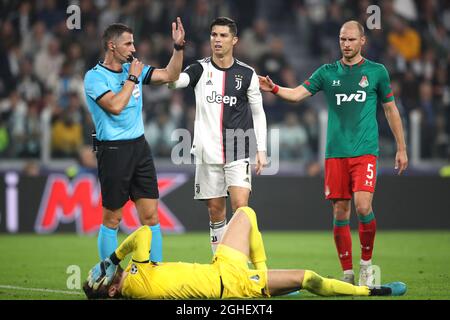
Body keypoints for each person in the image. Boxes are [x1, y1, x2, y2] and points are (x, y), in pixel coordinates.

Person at [259, 20, 408, 286]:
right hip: (335, 154)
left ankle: (365, 266)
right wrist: (275, 88)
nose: (346, 44)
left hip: (365, 152)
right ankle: (347, 272)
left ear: (362, 41)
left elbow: (390, 110)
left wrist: (402, 147)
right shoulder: (327, 73)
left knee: (363, 206)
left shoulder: (377, 72)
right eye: (342, 39)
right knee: (340, 213)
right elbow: (296, 95)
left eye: (351, 39)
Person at [82, 206, 406, 299]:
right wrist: (112, 259)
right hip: (231, 286)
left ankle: (265, 277)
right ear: (111, 290)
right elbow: (140, 234)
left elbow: (141, 235)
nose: (104, 272)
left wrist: (112, 262)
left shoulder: (137, 276)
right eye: (102, 278)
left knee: (246, 214)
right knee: (309, 278)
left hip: (220, 268)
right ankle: (371, 291)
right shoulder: (134, 284)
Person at [83, 18, 185, 264]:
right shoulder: (94, 78)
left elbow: (171, 74)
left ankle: (155, 272)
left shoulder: (134, 70)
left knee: (151, 216)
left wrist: (178, 48)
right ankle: (108, 277)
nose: (133, 48)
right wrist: (132, 79)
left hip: (140, 148)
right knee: (112, 219)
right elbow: (115, 106)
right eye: (128, 44)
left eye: (133, 43)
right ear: (112, 46)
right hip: (113, 150)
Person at [168, 17, 267, 256]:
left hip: (238, 147)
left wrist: (261, 149)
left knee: (242, 209)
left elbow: (258, 113)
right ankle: (220, 265)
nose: (217, 40)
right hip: (207, 150)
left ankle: (246, 265)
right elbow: (173, 83)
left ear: (234, 40)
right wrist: (178, 48)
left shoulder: (247, 74)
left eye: (223, 36)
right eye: (214, 35)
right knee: (215, 211)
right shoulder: (199, 69)